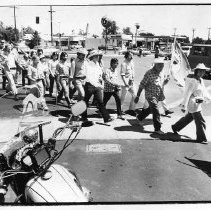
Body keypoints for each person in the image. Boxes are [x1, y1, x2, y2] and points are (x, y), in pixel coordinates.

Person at [171, 63, 211, 144]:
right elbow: (187, 94)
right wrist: (184, 106)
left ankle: (175, 127)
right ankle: (201, 138)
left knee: (189, 118)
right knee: (200, 121)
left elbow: (204, 91)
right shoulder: (193, 82)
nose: (202, 73)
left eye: (203, 71)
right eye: (200, 71)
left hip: (198, 102)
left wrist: (207, 98)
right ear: (196, 71)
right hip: (193, 104)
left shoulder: (201, 80)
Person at [0, 128, 39, 203]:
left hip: (31, 173)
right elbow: (4, 179)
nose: (27, 141)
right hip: (20, 178)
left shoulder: (30, 148)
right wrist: (1, 192)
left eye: (29, 139)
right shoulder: (9, 169)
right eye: (26, 138)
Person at [134, 57, 167, 134]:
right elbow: (142, 85)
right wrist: (138, 96)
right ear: (155, 65)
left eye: (162, 66)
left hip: (157, 95)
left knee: (151, 109)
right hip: (150, 95)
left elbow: (160, 85)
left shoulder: (161, 73)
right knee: (156, 110)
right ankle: (157, 129)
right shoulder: (149, 73)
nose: (161, 68)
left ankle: (140, 117)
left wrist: (165, 82)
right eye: (159, 66)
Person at [81, 50, 114, 123]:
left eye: (98, 55)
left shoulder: (98, 65)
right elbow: (89, 77)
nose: (98, 57)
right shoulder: (88, 65)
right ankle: (84, 117)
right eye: (96, 56)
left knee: (100, 102)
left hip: (97, 86)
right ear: (92, 57)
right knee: (85, 102)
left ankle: (106, 118)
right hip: (89, 85)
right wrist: (98, 85)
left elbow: (100, 75)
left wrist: (101, 82)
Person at [120, 51, 137, 116]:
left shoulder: (132, 62)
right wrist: (125, 83)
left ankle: (131, 110)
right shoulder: (124, 64)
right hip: (125, 83)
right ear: (127, 56)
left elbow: (132, 72)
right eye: (130, 56)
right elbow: (122, 75)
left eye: (132, 55)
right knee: (123, 98)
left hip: (132, 82)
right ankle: (120, 111)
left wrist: (133, 80)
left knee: (135, 95)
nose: (132, 57)